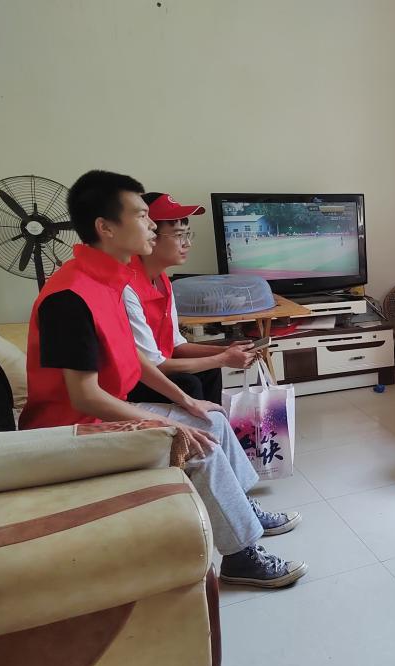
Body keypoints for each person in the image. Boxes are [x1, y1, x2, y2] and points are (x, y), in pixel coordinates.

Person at [19, 170, 306, 589]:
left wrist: (186, 405)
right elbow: (84, 397)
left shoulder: (109, 281)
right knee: (198, 446)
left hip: (106, 415)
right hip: (72, 431)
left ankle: (242, 510)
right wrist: (168, 426)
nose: (152, 225)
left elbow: (136, 360)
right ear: (106, 227)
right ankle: (241, 557)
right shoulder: (70, 296)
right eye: (141, 215)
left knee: (211, 418)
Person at [123, 191, 256, 405]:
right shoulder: (127, 287)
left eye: (187, 234)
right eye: (178, 235)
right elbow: (155, 366)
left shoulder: (163, 281)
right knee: (188, 382)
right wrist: (223, 359)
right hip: (132, 380)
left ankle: (213, 425)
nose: (187, 244)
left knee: (209, 371)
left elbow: (177, 346)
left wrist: (227, 351)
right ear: (148, 234)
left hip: (157, 367)